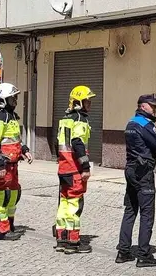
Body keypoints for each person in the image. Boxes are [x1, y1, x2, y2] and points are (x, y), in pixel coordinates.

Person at [115, 94, 156, 267]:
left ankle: (123, 252)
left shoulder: (130, 123)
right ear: (143, 106)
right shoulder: (145, 124)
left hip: (130, 170)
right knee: (147, 214)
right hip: (143, 173)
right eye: (153, 106)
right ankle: (144, 255)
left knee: (130, 211)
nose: (155, 109)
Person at [0, 82, 33, 240]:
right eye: (13, 99)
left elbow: (15, 139)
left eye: (16, 98)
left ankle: (10, 225)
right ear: (3, 100)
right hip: (4, 165)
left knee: (13, 195)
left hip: (13, 164)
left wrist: (25, 150)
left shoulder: (11, 116)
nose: (16, 101)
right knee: (3, 196)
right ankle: (1, 231)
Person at [54, 85, 95, 254]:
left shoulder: (65, 119)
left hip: (64, 168)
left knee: (64, 203)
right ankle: (73, 242)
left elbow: (58, 144)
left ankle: (61, 238)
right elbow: (78, 143)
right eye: (87, 101)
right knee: (74, 204)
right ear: (79, 102)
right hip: (74, 168)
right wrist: (85, 166)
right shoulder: (80, 119)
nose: (89, 105)